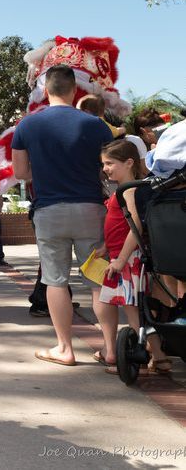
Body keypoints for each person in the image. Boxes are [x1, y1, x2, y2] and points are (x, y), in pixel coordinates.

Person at [11, 64, 113, 366]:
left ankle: (65, 348)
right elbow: (107, 168)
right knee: (97, 279)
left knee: (55, 280)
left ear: (45, 90)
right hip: (90, 208)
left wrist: (45, 173)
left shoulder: (27, 126)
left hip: (49, 210)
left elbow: (20, 172)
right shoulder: (96, 125)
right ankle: (110, 349)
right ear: (74, 89)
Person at [95, 139, 169, 372]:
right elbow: (122, 224)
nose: (106, 168)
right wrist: (107, 247)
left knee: (134, 312)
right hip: (123, 256)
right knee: (136, 311)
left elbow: (135, 224)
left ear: (128, 163)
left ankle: (144, 358)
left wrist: (120, 259)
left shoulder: (129, 190)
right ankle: (159, 357)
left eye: (110, 163)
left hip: (128, 259)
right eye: (104, 164)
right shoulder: (124, 189)